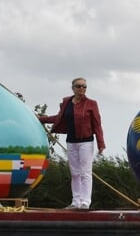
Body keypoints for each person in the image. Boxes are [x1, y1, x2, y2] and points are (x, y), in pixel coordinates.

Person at [44, 78, 105, 210]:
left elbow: (97, 124)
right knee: (75, 173)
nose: (82, 89)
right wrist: (42, 119)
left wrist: (101, 143)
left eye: (84, 86)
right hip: (71, 141)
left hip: (86, 141)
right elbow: (59, 118)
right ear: (73, 88)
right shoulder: (67, 103)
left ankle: (85, 202)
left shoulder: (91, 104)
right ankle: (75, 201)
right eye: (79, 86)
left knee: (86, 172)